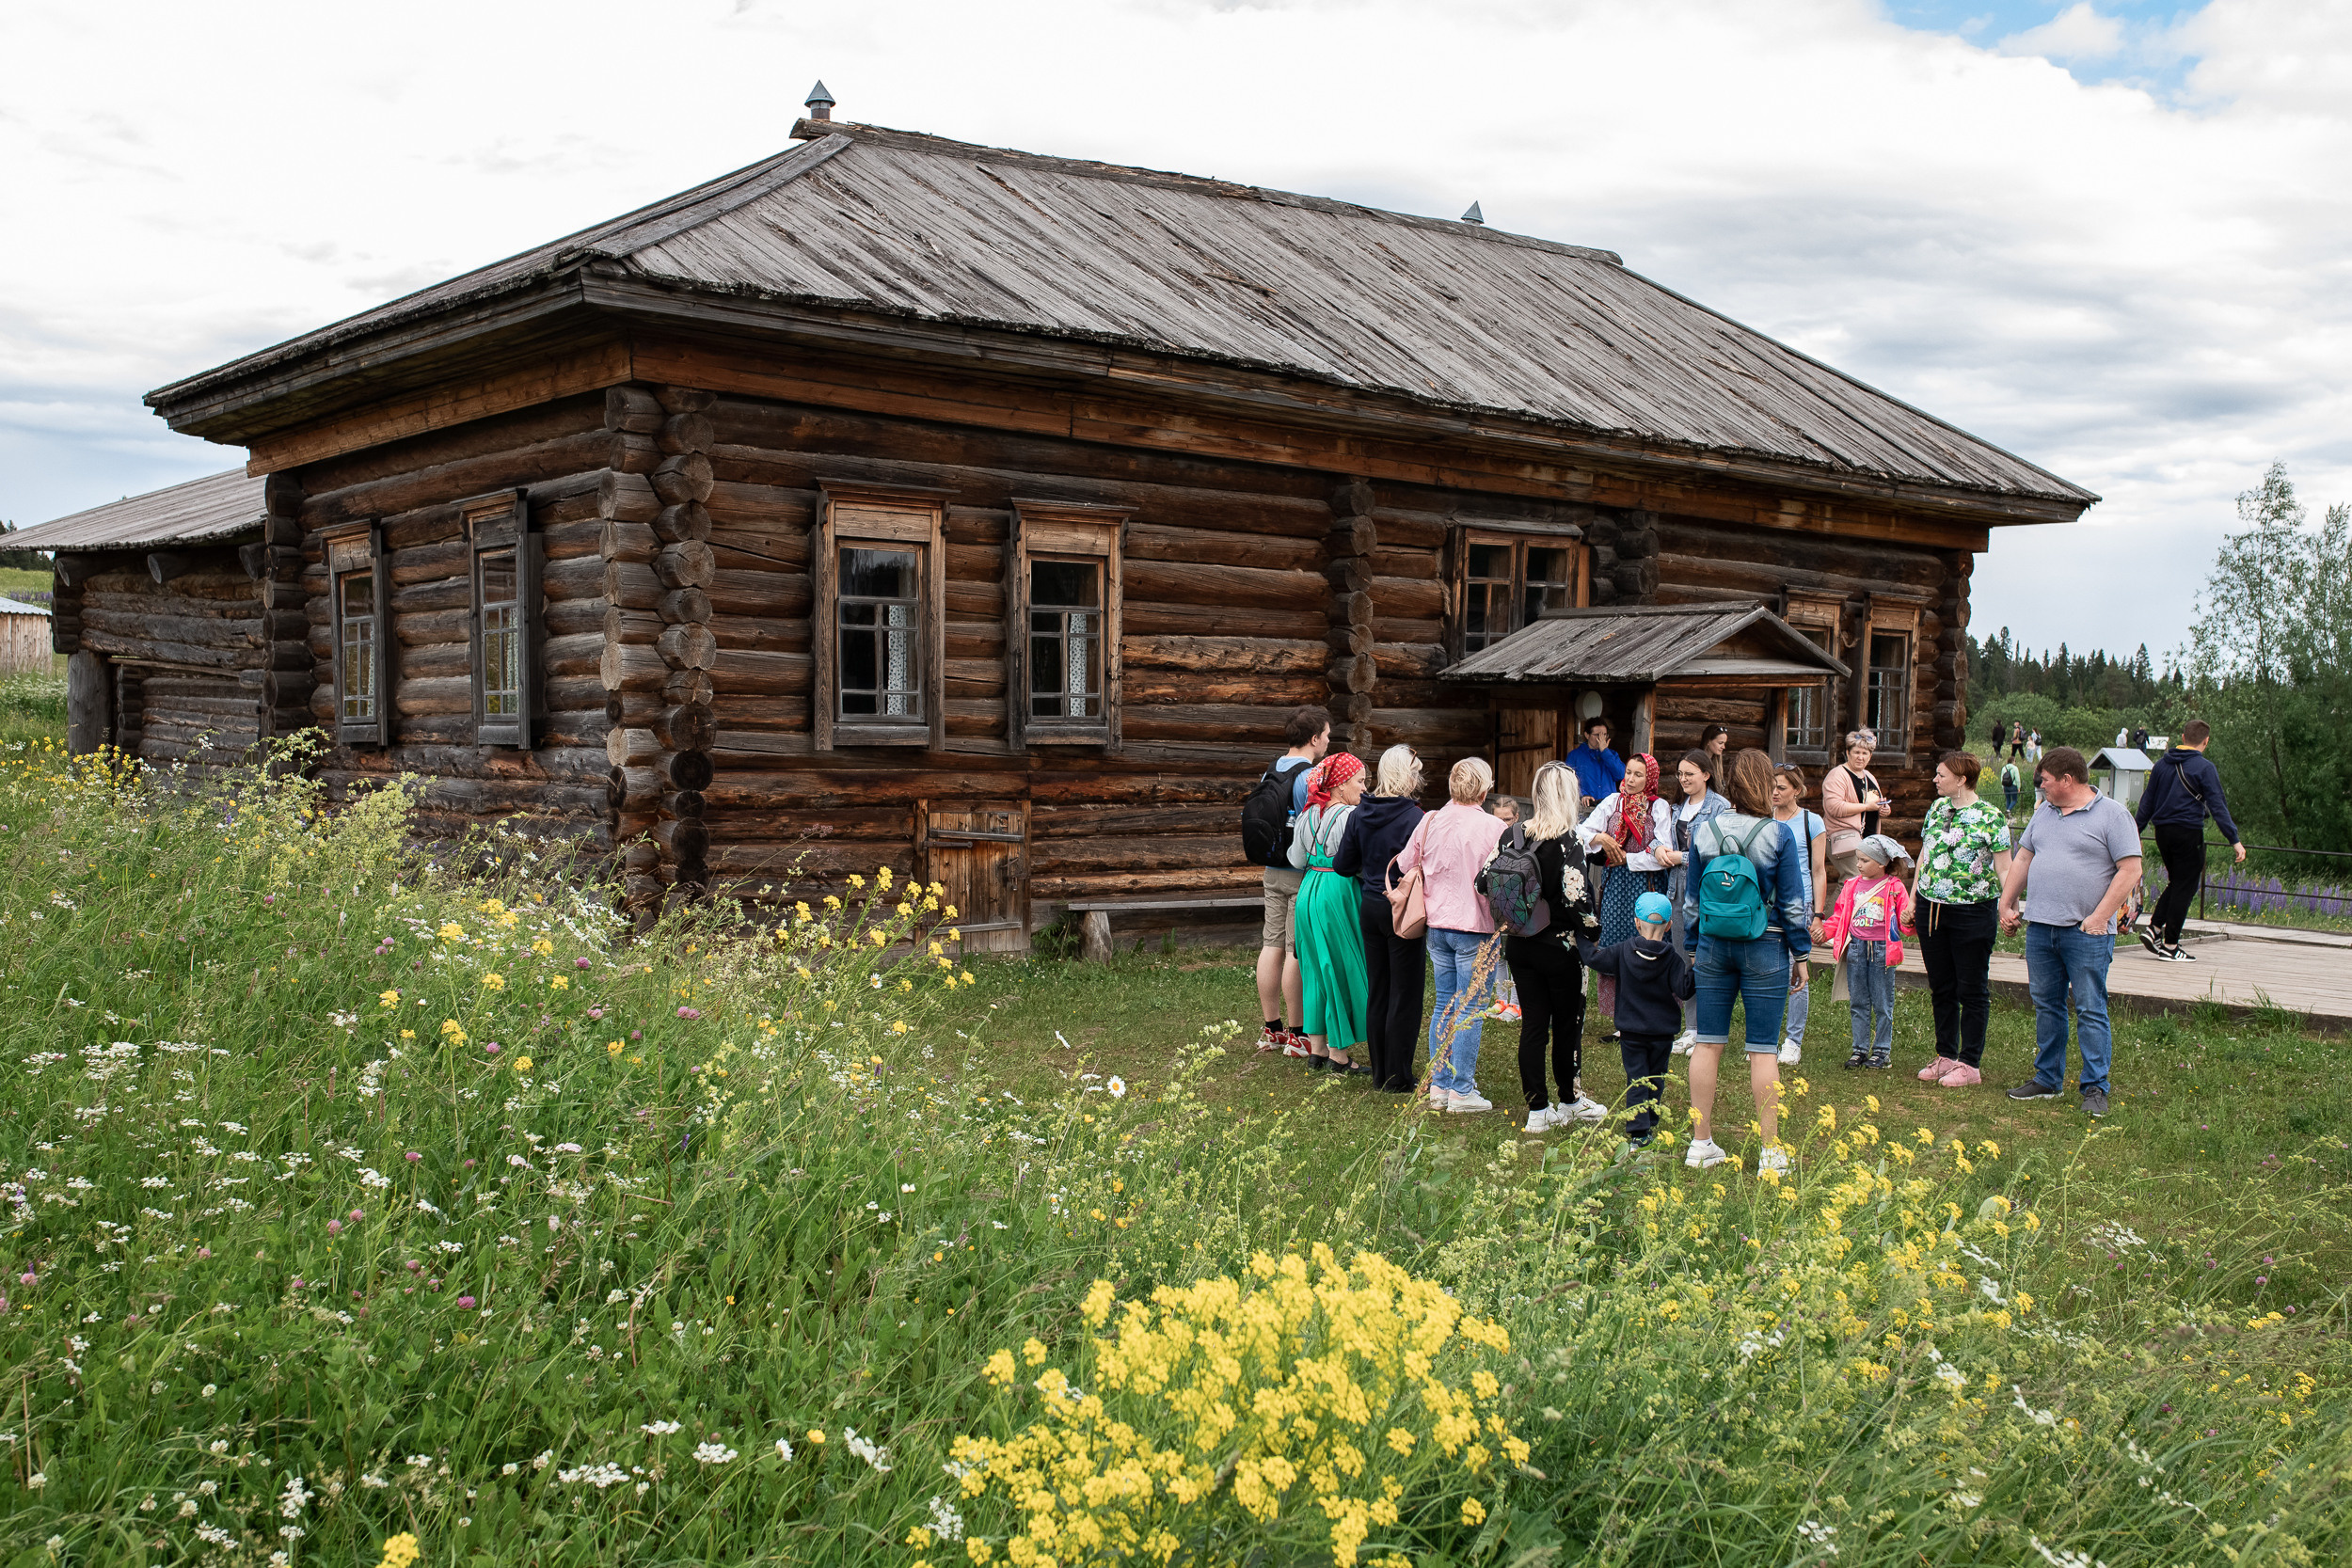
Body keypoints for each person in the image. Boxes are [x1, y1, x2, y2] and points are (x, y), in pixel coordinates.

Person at [1679, 750, 1812, 1172]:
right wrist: (1801, 953)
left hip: (1714, 946)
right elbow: (1793, 903)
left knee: (1707, 1042)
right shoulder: (1779, 834)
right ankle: (1771, 1152)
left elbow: (1692, 901)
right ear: (1763, 784)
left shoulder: (1703, 831)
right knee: (1762, 1050)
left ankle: (1701, 1144)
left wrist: (1694, 947)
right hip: (1766, 945)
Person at [1999, 747, 2142, 1120]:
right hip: (2041, 928)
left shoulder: (2113, 815)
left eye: (2044, 780)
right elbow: (2024, 858)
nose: (2040, 786)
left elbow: (2130, 870)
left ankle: (2095, 1087)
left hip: (2086, 932)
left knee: (2090, 1008)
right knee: (2047, 1004)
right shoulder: (2044, 812)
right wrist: (2006, 903)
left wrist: (2099, 917)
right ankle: (2048, 1079)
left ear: (2067, 780)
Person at [1396, 756, 1509, 1113]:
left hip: (1437, 925)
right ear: (1484, 788)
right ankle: (1462, 1090)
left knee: (1444, 1003)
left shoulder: (1430, 819)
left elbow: (1403, 864)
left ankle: (1439, 1086)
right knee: (1471, 1006)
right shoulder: (1494, 827)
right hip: (1475, 927)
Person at [1502, 762, 1605, 1132]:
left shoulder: (1513, 834)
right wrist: (1593, 932)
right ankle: (1569, 1100)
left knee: (1533, 1024)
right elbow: (1577, 897)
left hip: (1520, 943)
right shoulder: (1569, 840)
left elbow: (1485, 880)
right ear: (1568, 796)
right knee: (1566, 1026)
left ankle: (1536, 1110)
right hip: (1561, 947)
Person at [1331, 744, 1427, 1093]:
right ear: (1407, 774)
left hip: (1370, 905)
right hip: (1401, 908)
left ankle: (1379, 1071)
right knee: (1405, 992)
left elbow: (1342, 865)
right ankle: (1397, 1076)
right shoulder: (1414, 817)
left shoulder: (1360, 813)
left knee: (1379, 990)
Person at [1913, 751, 2010, 1086]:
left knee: (1971, 987)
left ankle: (1970, 1063)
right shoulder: (1937, 809)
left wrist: (2008, 905)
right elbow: (1925, 854)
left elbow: (2004, 866)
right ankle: (1946, 1055)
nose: (1935, 780)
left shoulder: (1991, 816)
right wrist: (1913, 898)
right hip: (1932, 908)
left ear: (1962, 779)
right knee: (1941, 985)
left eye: (1941, 775)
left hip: (1972, 911)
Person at [1580, 891, 1693, 1149]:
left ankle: (1639, 1132)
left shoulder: (1623, 951)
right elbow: (1685, 990)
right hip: (1662, 1034)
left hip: (1631, 1033)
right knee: (1656, 1076)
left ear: (1636, 922)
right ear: (1669, 925)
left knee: (1637, 1079)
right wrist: (1699, 969)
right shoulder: (1673, 959)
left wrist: (1581, 938)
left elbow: (1593, 959)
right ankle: (1650, 1120)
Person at [2134, 719, 2246, 962]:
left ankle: (2154, 929)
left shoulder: (2162, 765)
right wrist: (2234, 839)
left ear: (2183, 738)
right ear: (2206, 742)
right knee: (2186, 886)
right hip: (2188, 831)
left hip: (2162, 832)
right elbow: (2218, 806)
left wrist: (2134, 833)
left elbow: (2147, 802)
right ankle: (2170, 946)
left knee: (2177, 882)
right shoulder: (2205, 768)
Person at [1576, 752, 1674, 1031]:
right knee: (1616, 946)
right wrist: (1602, 838)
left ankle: (1644, 1013)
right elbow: (1580, 834)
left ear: (1650, 778)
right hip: (1615, 887)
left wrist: (1628, 859)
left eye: (1638, 775)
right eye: (1628, 773)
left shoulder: (1658, 807)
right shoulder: (1612, 802)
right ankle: (1621, 1017)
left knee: (1645, 946)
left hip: (1647, 886)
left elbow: (1662, 853)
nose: (1630, 779)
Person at [1287, 751, 1371, 1073]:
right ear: (1339, 785)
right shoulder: (1352, 816)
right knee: (1337, 966)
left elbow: (1296, 860)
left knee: (1314, 969)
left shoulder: (1307, 814)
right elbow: (1360, 863)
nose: (1364, 788)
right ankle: (1339, 1055)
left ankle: (1317, 1049)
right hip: (1338, 891)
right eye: (1360, 781)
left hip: (1309, 890)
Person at [1254, 705, 1330, 1053]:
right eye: (1326, 736)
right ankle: (1299, 1035)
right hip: (1301, 873)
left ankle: (1272, 1029)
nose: (1328, 742)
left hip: (1272, 870)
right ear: (1314, 739)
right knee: (1294, 952)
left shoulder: (1270, 770)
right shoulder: (1309, 776)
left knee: (1271, 945)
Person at [1656, 750, 1728, 1053]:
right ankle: (1690, 1026)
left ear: (1707, 775)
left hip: (1705, 889)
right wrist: (1660, 849)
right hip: (1675, 889)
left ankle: (1705, 1028)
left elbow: (1720, 851)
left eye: (1690, 774)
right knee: (1683, 958)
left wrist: (1679, 857)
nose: (1683, 779)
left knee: (1705, 958)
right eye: (1681, 774)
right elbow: (1662, 839)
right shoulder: (1675, 808)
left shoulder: (1720, 808)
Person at [1826, 834, 1914, 1070]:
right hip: (1856, 948)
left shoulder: (1894, 888)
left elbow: (1904, 923)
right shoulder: (1852, 886)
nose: (1858, 865)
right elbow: (1839, 915)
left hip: (1882, 951)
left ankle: (1882, 1051)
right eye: (1858, 859)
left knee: (1882, 1002)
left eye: (1864, 860)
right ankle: (1860, 1050)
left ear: (1881, 863)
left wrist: (1910, 921)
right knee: (1858, 1001)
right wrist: (1824, 932)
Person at [1769, 763, 1829, 1066]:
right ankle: (1765, 1036)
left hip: (1799, 904)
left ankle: (1793, 1041)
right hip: (1766, 904)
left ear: (1797, 790)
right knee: (1766, 968)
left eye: (1781, 787)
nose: (1775, 792)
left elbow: (1818, 871)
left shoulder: (1811, 821)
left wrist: (1818, 913)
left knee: (1797, 969)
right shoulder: (1763, 817)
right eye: (1773, 786)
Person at [1820, 730, 1883, 885]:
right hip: (1843, 837)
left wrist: (1883, 809)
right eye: (1856, 752)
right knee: (1852, 881)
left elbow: (1874, 803)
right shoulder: (1837, 775)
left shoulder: (1869, 776)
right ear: (1848, 753)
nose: (1860, 757)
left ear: (1870, 756)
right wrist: (1866, 807)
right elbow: (1833, 807)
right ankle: (1831, 911)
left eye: (1865, 753)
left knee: (1863, 882)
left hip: (1867, 839)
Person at [1484, 795, 1525, 1022]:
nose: (1502, 824)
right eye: (1497, 818)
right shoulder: (1490, 837)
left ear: (1516, 818)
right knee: (1497, 953)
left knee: (1514, 954)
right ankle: (1501, 999)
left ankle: (1517, 1004)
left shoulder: (1521, 840)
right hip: (1495, 900)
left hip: (1515, 902)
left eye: (1507, 819)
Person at [1565, 715, 1625, 813]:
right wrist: (1582, 795)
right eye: (1597, 735)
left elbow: (1621, 775)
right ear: (1587, 735)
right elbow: (1568, 781)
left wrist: (1605, 752)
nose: (1601, 739)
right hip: (1586, 808)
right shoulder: (1574, 756)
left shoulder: (1612, 755)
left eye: (1604, 735)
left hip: (1609, 808)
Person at [1698, 723, 1730, 792]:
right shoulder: (1697, 763)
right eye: (1720, 743)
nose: (1723, 747)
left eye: (1724, 743)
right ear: (1708, 742)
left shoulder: (1716, 762)